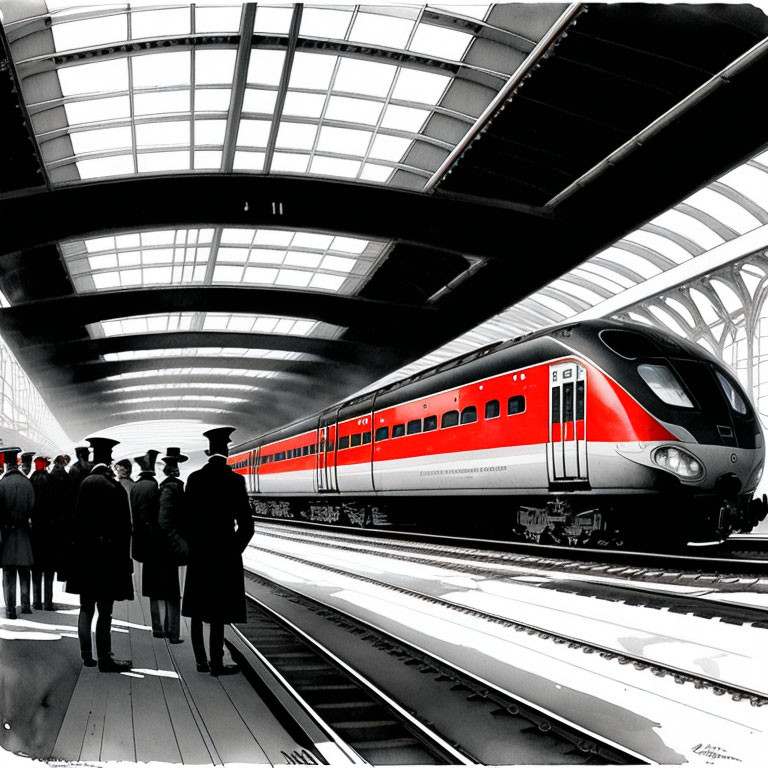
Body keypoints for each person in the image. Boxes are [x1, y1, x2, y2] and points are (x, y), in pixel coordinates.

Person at [182, 427, 254, 675]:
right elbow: (247, 526)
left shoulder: (194, 479)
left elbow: (185, 521)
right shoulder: (236, 481)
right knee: (218, 612)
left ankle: (200, 661)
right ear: (227, 451)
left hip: (200, 554)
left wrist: (194, 545)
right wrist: (233, 550)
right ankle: (216, 663)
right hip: (224, 555)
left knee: (196, 608)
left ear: (207, 451)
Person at [65, 437, 133, 672]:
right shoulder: (113, 487)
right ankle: (105, 658)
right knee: (105, 611)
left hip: (84, 557)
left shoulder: (84, 484)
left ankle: (86, 656)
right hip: (107, 559)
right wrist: (125, 563)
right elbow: (124, 530)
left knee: (86, 607)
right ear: (110, 461)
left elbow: (75, 522)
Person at [130, 450, 176, 639]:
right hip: (155, 545)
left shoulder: (136, 487)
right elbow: (155, 517)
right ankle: (163, 627)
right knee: (162, 587)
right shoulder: (153, 486)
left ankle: (156, 627)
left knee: (151, 589)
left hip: (141, 542)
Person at [154, 447, 189, 644]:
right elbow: (165, 520)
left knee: (169, 590)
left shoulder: (166, 486)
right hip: (169, 548)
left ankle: (169, 629)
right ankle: (173, 633)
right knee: (173, 592)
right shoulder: (172, 488)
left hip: (165, 546)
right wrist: (179, 544)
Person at [0, 448, 35, 619]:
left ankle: (10, 609)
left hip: (7, 535)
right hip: (24, 532)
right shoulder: (27, 483)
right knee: (24, 571)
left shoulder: (2, 484)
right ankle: (26, 605)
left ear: (7, 464)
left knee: (8, 573)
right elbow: (33, 508)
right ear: (18, 463)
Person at [29, 455, 56, 610]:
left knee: (36, 569)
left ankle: (36, 601)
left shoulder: (31, 480)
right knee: (49, 569)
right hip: (50, 531)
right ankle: (48, 601)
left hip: (35, 531)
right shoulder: (51, 480)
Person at [50, 454, 74, 583]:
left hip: (53, 519)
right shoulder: (67, 477)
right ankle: (62, 574)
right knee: (63, 549)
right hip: (64, 519)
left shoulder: (51, 477)